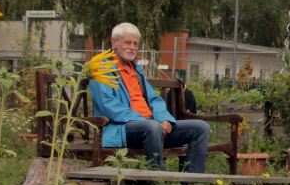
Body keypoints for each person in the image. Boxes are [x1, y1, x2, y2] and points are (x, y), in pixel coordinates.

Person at [88, 23, 211, 173]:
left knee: (200, 128)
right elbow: (109, 107)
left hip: (152, 127)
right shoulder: (101, 70)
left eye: (136, 44)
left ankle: (191, 184)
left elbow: (154, 100)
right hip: (121, 129)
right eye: (128, 42)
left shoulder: (136, 71)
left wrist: (164, 119)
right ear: (114, 42)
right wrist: (149, 121)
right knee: (151, 128)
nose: (133, 47)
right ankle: (156, 184)